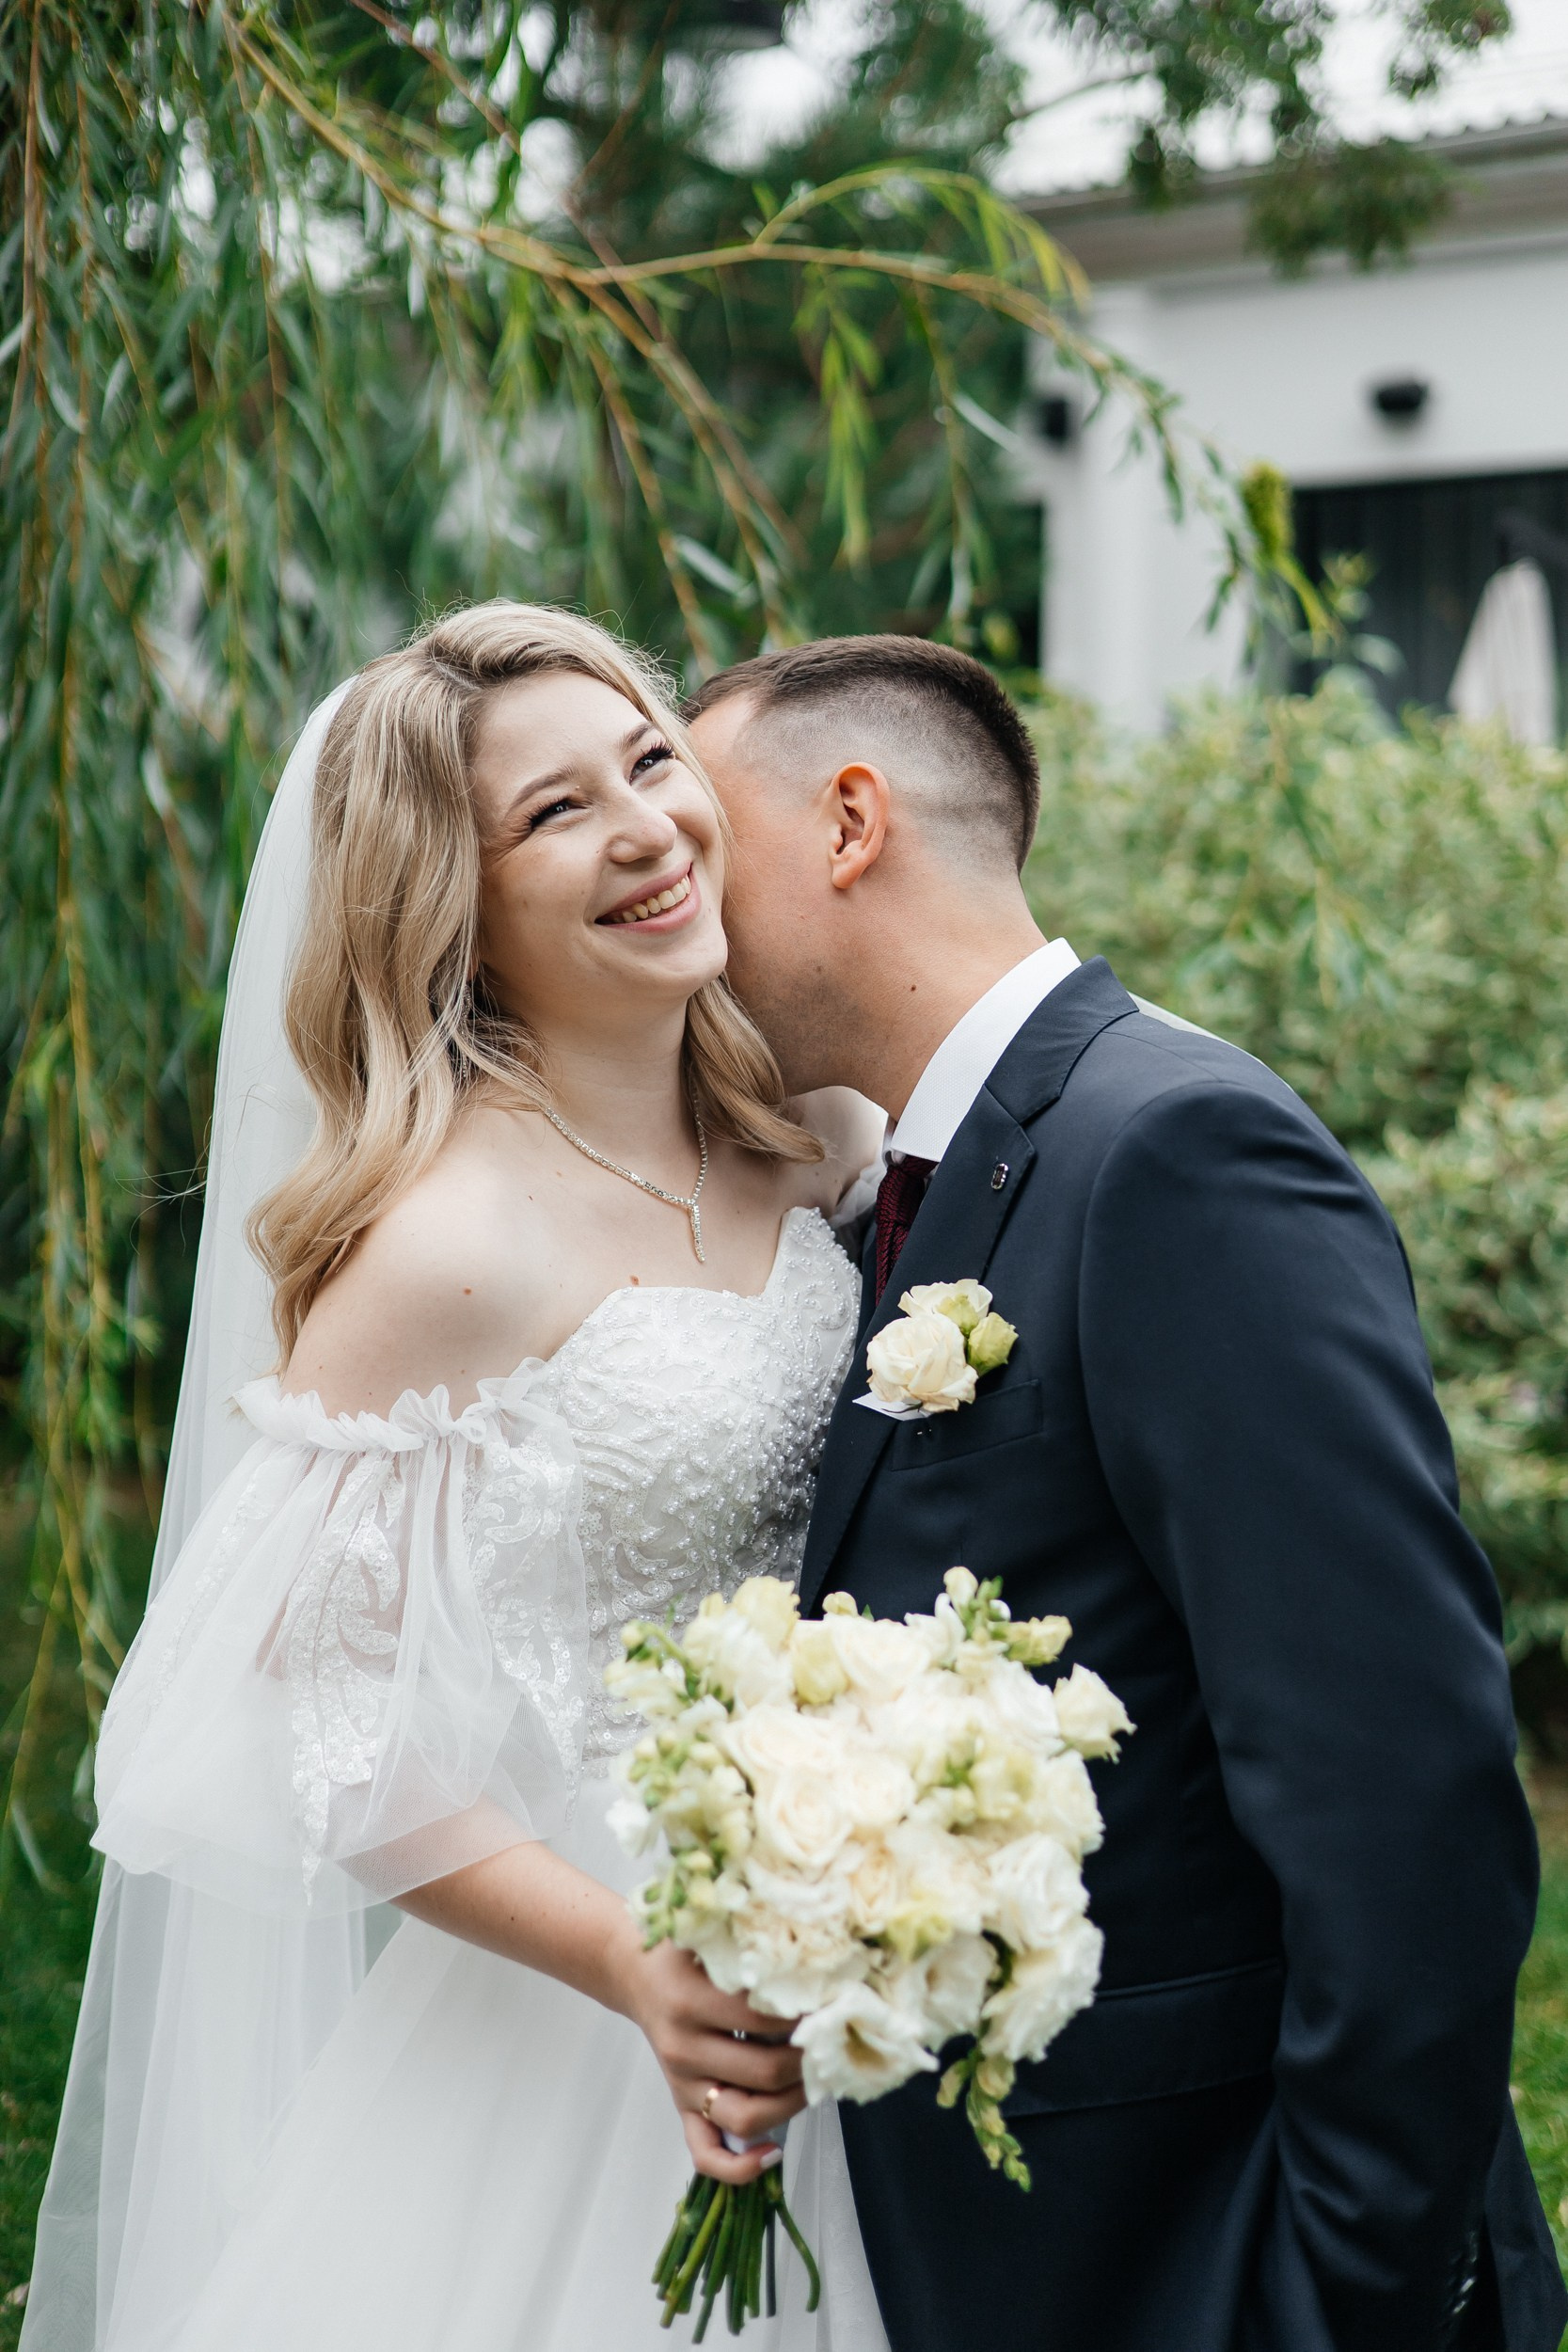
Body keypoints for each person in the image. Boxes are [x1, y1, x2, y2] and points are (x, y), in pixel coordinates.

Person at [22, 604, 892, 2352]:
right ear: (452, 907)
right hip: (607, 2005)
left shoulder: (821, 1137)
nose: (646, 829)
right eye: (555, 813)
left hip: (876, 1914)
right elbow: (322, 1737)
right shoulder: (446, 1251)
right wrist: (629, 1960)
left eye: (649, 762)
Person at [688, 634, 1568, 2352]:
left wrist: (1340, 2294)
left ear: (850, 823)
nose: (678, 906)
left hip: (1216, 2260)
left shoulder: (1174, 1150)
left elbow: (1404, 1791)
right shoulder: (919, 1183)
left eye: (708, 844)